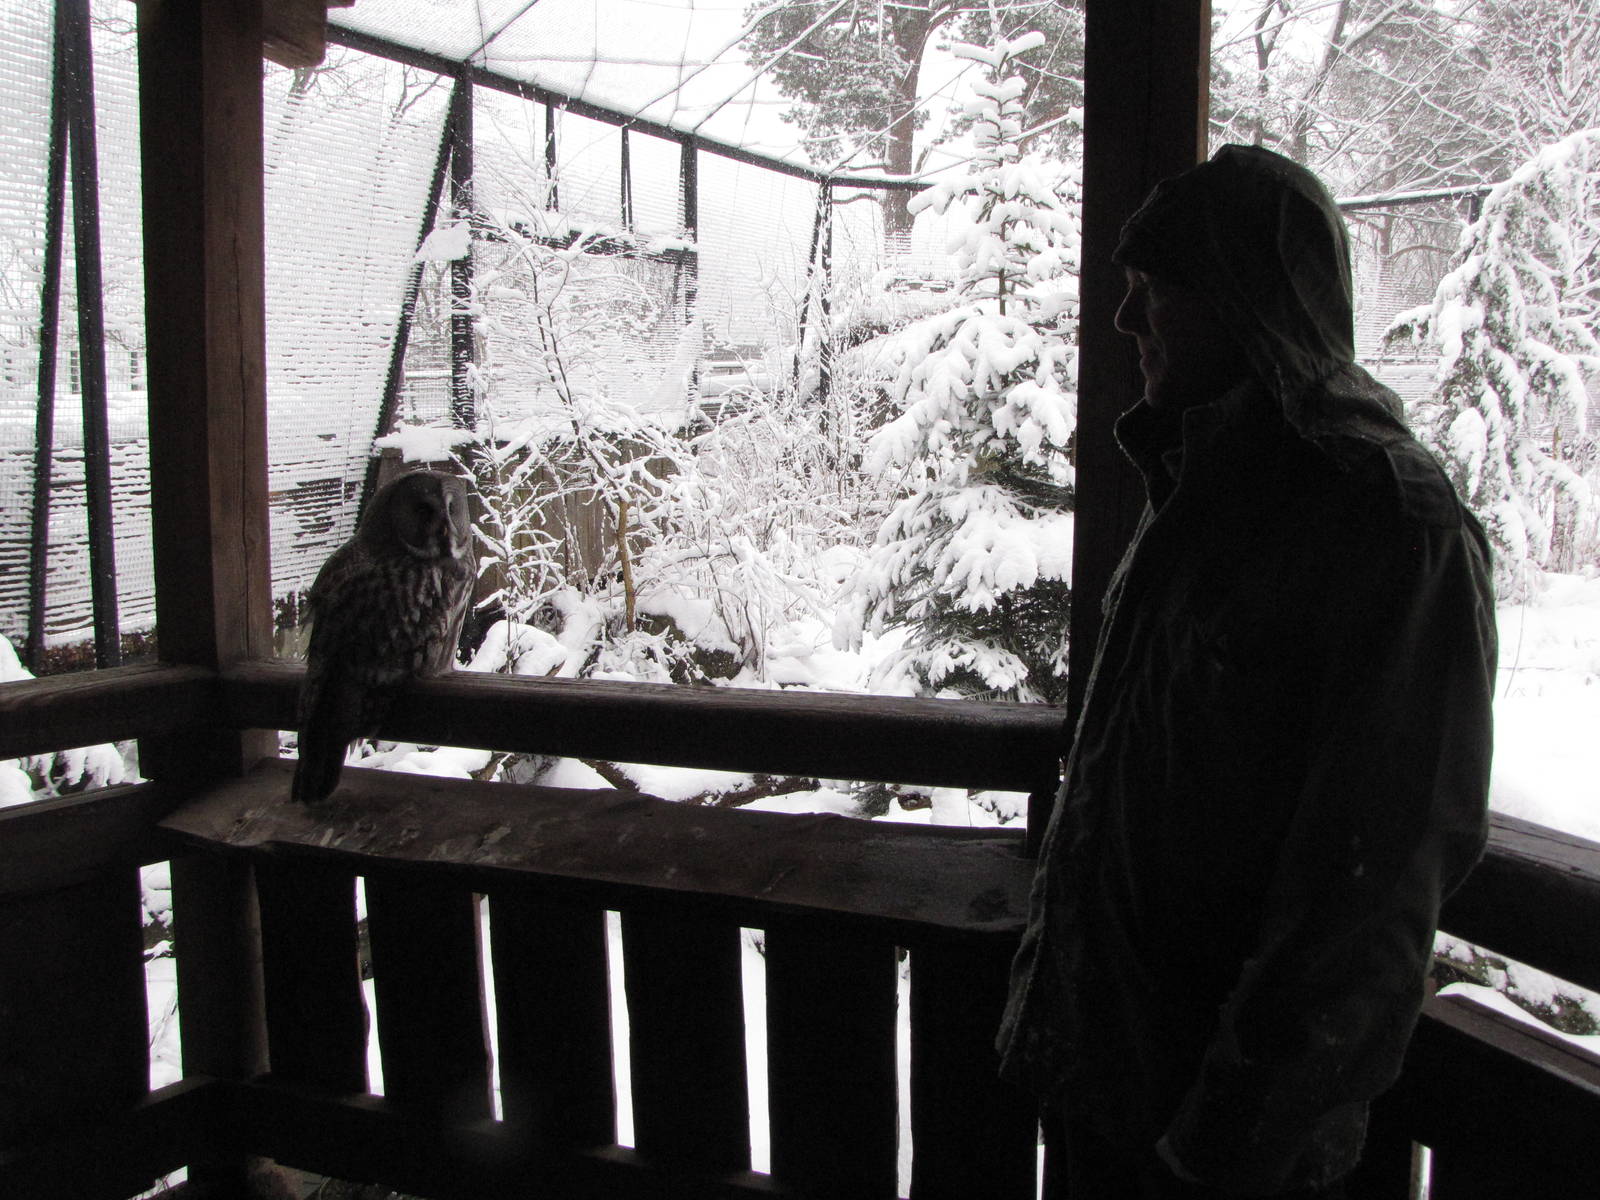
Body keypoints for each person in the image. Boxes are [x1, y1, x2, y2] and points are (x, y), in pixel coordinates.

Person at [997, 144, 1497, 1198]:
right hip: (1108, 1091)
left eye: (1156, 292)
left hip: (1217, 1151)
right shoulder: (1200, 487)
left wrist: (1222, 1147)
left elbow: (1368, 890)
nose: (1126, 323)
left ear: (1249, 304)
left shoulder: (1386, 524)